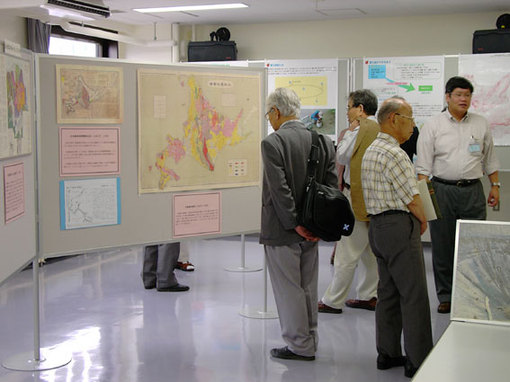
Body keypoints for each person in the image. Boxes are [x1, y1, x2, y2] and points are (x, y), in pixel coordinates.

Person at [260, 87, 337, 361]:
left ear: (277, 111)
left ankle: (298, 345)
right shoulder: (322, 141)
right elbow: (331, 187)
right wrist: (315, 225)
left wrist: (295, 223)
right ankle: (310, 337)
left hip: (283, 230)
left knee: (288, 287)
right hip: (313, 230)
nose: (269, 119)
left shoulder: (273, 143)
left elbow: (279, 191)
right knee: (307, 285)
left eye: (269, 113)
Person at [416, 76, 500, 314]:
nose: (464, 99)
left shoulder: (481, 123)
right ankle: (446, 296)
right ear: (448, 97)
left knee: (474, 243)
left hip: (473, 190)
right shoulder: (433, 125)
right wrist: (425, 202)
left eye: (468, 95)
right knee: (442, 245)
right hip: (442, 190)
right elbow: (423, 168)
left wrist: (495, 185)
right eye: (459, 95)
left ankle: (472, 293)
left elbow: (490, 158)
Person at [361, 98, 432, 378]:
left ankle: (387, 353)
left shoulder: (371, 150)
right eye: (410, 118)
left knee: (388, 293)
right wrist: (424, 220)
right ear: (393, 119)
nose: (413, 125)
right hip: (400, 227)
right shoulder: (396, 154)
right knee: (413, 294)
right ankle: (419, 359)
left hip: (377, 228)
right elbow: (413, 199)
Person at [319, 89, 379, 314]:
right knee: (369, 252)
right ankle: (368, 295)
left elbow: (341, 156)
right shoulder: (381, 127)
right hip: (376, 197)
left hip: (356, 197)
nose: (347, 112)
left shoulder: (360, 129)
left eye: (349, 107)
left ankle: (333, 301)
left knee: (346, 250)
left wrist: (349, 132)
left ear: (360, 109)